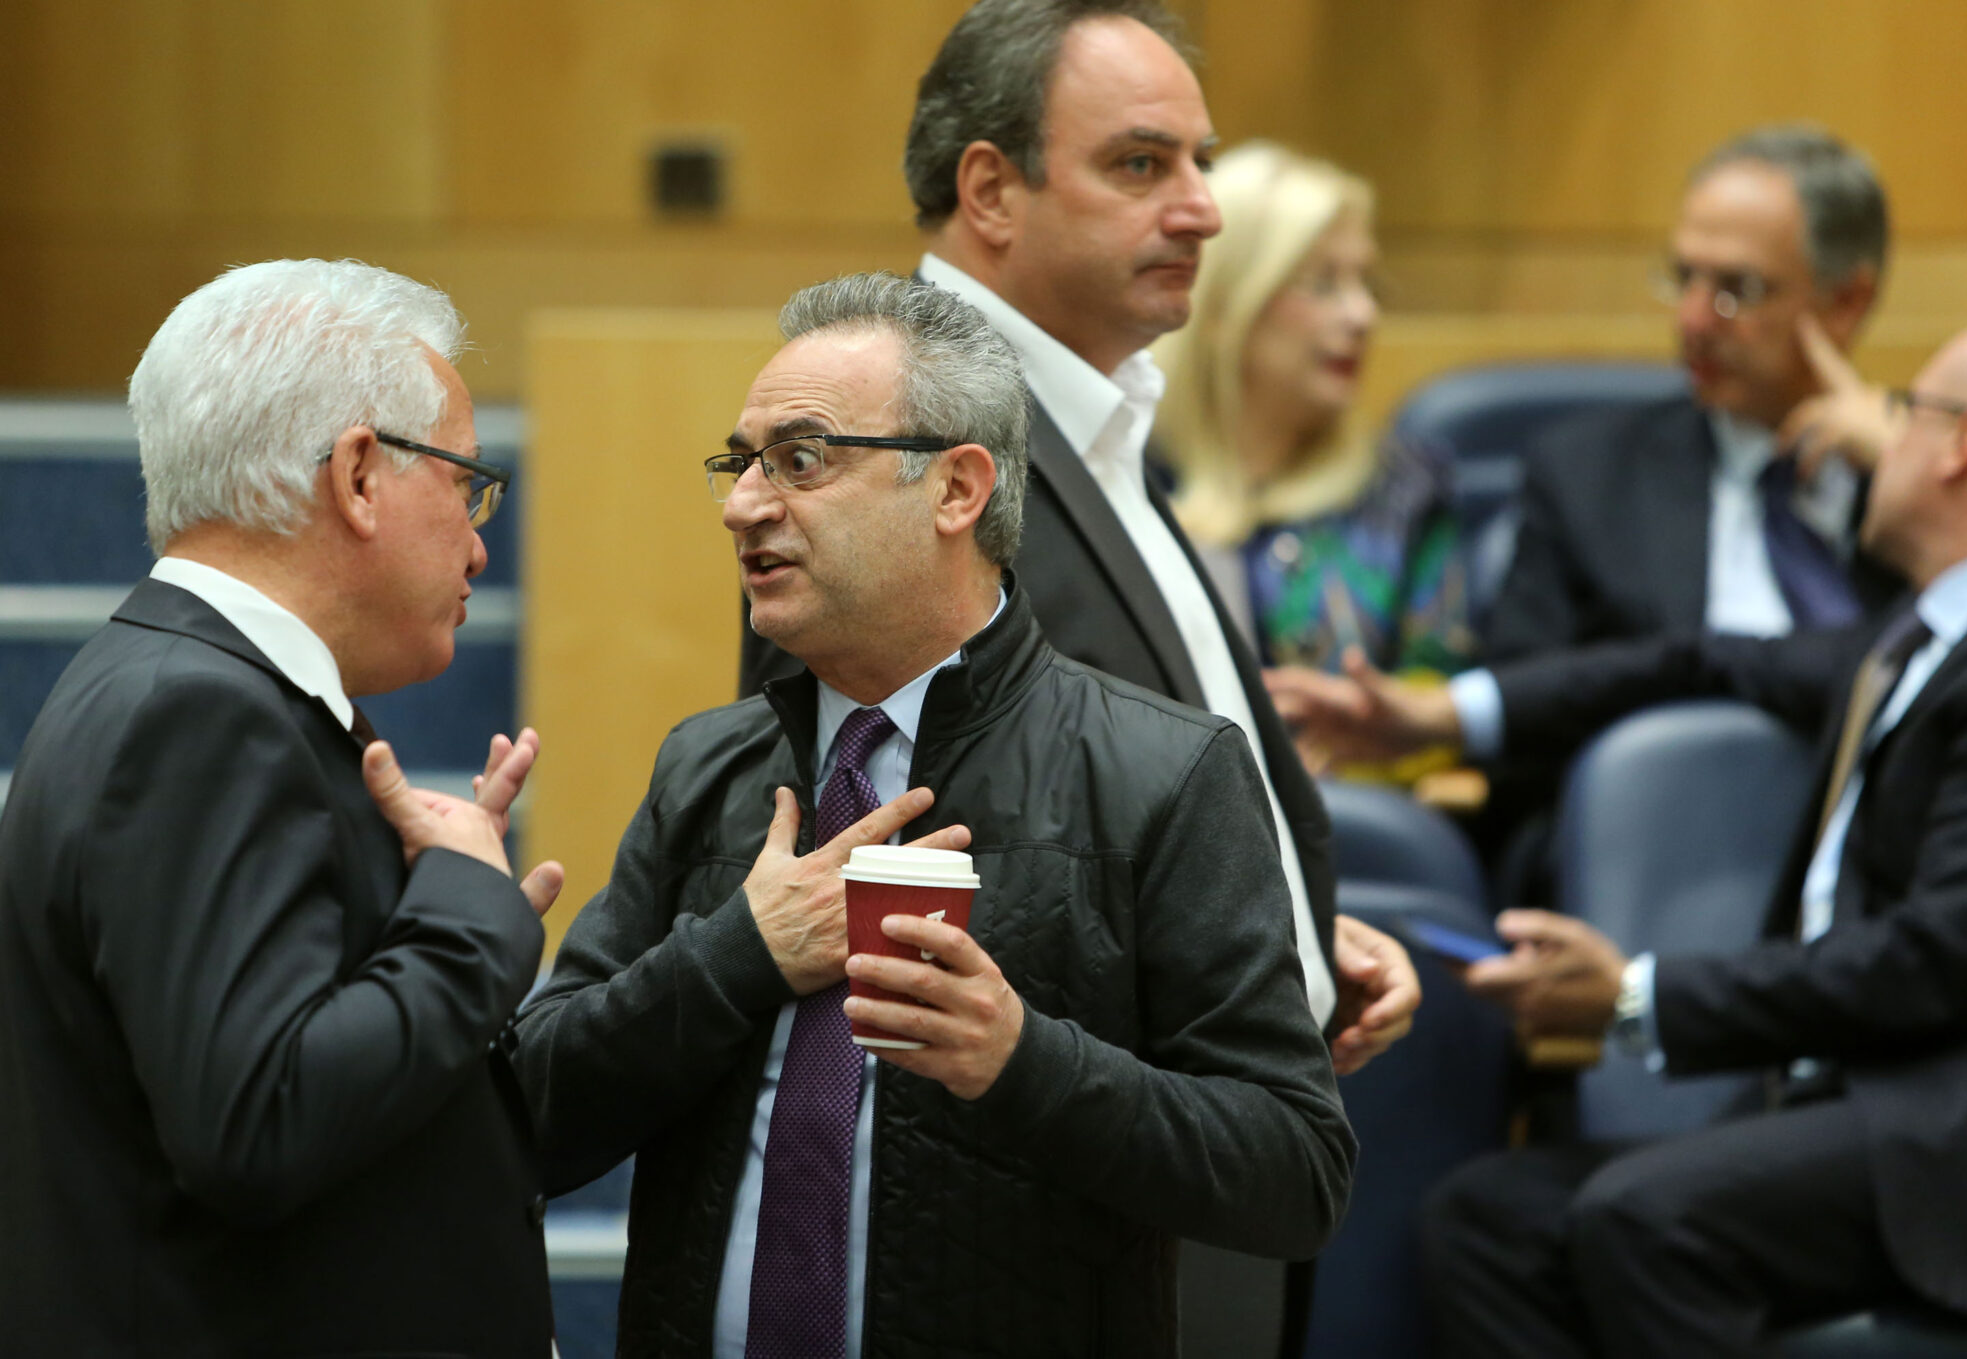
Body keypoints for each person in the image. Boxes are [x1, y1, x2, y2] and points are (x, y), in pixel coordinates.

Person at [513, 272, 1356, 1358]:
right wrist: (738, 954)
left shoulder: (1164, 773)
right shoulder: (707, 767)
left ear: (957, 488)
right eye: (742, 463)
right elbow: (528, 1123)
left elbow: (1293, 1174)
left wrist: (1020, 1059)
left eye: (801, 461)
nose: (743, 505)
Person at [1270, 317, 1967, 1351]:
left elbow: (1940, 957)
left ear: (1963, 443)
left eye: (1905, 411)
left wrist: (1635, 997)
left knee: (1648, 1220)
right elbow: (1693, 658)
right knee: (1487, 1223)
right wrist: (1440, 715)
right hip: (1855, 1112)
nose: (1877, 433)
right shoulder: (1922, 636)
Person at [736, 0, 1418, 1078]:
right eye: (1141, 165)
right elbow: (879, 848)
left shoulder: (1092, 412)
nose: (1202, 211)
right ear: (990, 191)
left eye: (1201, 163)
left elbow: (1118, 799)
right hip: (1057, 1143)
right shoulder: (893, 434)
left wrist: (1287, 934)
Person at [0, 259, 564, 1355]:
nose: (478, 542)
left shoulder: (175, 684)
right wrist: (466, 916)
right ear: (358, 475)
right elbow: (256, 1120)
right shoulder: (201, 717)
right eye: (465, 484)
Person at [1486, 123, 1904, 664]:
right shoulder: (1587, 476)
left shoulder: (1930, 477)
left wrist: (1906, 469)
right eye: (1685, 278)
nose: (1692, 320)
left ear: (1847, 302)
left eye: (1737, 289)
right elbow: (1517, 694)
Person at [1151, 140, 1473, 682]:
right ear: (1224, 309)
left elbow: (1440, 691)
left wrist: (1378, 717)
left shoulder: (1406, 487)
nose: (1363, 315)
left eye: (1366, 283)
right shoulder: (1126, 476)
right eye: (1322, 284)